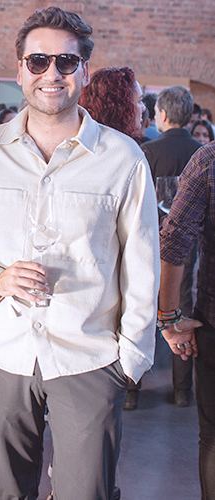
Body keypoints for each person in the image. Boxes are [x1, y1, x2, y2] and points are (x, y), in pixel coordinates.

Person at [0, 7, 159, 499]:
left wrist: (130, 361)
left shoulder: (123, 159)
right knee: (10, 492)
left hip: (88, 357)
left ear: (84, 71)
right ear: (20, 70)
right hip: (3, 354)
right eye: (38, 61)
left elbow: (142, 268)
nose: (51, 73)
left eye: (65, 61)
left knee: (85, 492)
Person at [79, 66, 148, 411]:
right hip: (97, 309)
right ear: (121, 104)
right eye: (138, 100)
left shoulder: (129, 155)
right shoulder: (122, 157)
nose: (143, 108)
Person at [157, 142, 215, 499]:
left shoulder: (209, 160)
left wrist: (169, 318)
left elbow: (175, 239)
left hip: (213, 321)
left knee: (214, 437)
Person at [142, 85, 203, 407]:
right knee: (184, 308)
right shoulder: (201, 152)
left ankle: (132, 390)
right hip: (191, 245)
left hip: (151, 241)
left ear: (162, 114)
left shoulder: (149, 151)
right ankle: (182, 391)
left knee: (145, 308)